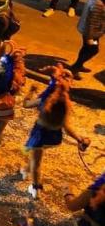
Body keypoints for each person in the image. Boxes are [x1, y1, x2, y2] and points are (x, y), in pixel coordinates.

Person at [22, 64, 89, 200]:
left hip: (39, 135)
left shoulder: (45, 100)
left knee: (36, 162)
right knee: (35, 155)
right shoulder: (65, 105)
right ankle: (26, 169)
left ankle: (35, 188)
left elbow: (26, 104)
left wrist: (31, 91)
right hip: (54, 138)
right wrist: (79, 138)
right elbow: (66, 126)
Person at [69, 0, 104, 79]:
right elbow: (92, 23)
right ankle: (74, 68)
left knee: (85, 48)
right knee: (93, 50)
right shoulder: (98, 5)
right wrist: (90, 38)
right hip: (91, 33)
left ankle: (79, 65)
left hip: (89, 31)